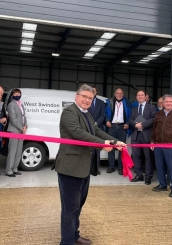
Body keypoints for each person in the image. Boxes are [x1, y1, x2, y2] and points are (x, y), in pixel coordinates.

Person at [53, 84, 126, 245]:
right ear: (76, 97)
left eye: (90, 98)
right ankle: (67, 241)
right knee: (70, 208)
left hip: (83, 167)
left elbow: (96, 131)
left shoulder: (87, 114)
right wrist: (102, 144)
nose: (87, 100)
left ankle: (74, 235)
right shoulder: (70, 112)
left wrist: (114, 141)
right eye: (84, 97)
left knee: (78, 205)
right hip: (70, 167)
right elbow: (78, 134)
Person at [128, 90, 156, 185]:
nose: (140, 96)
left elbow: (153, 119)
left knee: (148, 157)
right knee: (136, 156)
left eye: (142, 95)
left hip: (146, 135)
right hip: (136, 136)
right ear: (136, 97)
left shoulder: (151, 107)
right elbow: (130, 120)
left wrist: (143, 125)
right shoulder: (134, 109)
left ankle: (148, 177)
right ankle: (139, 175)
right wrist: (135, 125)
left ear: (145, 97)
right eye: (138, 95)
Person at [105, 88, 131, 175]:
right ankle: (111, 166)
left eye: (121, 93)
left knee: (121, 148)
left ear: (123, 94)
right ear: (115, 94)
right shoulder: (109, 102)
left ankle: (120, 167)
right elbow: (105, 113)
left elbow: (130, 114)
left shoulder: (127, 102)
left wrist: (128, 123)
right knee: (111, 146)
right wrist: (107, 120)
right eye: (117, 93)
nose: (119, 95)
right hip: (111, 126)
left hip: (122, 127)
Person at [6, 88, 27, 177]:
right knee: (12, 151)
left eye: (19, 94)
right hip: (14, 130)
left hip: (21, 131)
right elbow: (13, 119)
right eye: (15, 94)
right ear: (13, 95)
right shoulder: (11, 105)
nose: (17, 95)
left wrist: (25, 126)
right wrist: (21, 127)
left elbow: (24, 117)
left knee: (18, 151)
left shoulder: (21, 104)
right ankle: (9, 170)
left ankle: (15, 168)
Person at [87, 85, 106, 175]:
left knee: (97, 150)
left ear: (96, 92)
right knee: (88, 150)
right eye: (91, 91)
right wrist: (90, 123)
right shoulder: (87, 101)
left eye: (94, 91)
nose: (93, 92)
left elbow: (103, 115)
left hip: (98, 128)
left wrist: (96, 123)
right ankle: (88, 168)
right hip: (87, 128)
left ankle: (96, 169)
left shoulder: (101, 103)